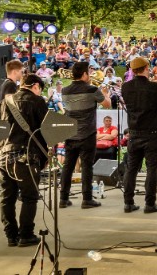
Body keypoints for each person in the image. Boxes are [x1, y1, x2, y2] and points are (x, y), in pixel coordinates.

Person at [0, 74, 49, 248]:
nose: (39, 92)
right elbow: (45, 131)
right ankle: (26, 235)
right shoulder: (37, 101)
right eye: (40, 88)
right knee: (29, 197)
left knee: (6, 197)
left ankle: (11, 236)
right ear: (34, 86)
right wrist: (44, 156)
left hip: (3, 155)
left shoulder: (3, 102)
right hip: (26, 156)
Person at [120, 57, 157, 213]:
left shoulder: (126, 87)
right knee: (152, 170)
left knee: (131, 169)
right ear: (146, 68)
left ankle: (128, 203)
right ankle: (150, 204)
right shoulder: (154, 87)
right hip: (152, 134)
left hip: (134, 133)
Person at [59, 62, 111, 209]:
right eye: (89, 72)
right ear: (83, 75)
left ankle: (63, 198)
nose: (90, 75)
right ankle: (87, 199)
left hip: (70, 133)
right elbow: (107, 104)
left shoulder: (65, 90)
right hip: (87, 133)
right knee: (87, 167)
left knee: (68, 166)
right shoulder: (92, 89)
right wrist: (105, 92)